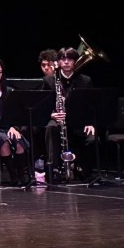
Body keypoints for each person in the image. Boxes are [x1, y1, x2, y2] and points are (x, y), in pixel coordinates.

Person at [43, 47, 96, 183]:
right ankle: (54, 169)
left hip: (79, 122)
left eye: (70, 59)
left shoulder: (85, 81)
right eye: (63, 59)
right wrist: (52, 115)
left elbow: (91, 105)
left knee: (91, 138)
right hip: (58, 120)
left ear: (75, 61)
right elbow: (43, 105)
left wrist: (90, 123)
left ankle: (86, 171)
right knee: (51, 128)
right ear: (58, 62)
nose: (66, 62)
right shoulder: (49, 80)